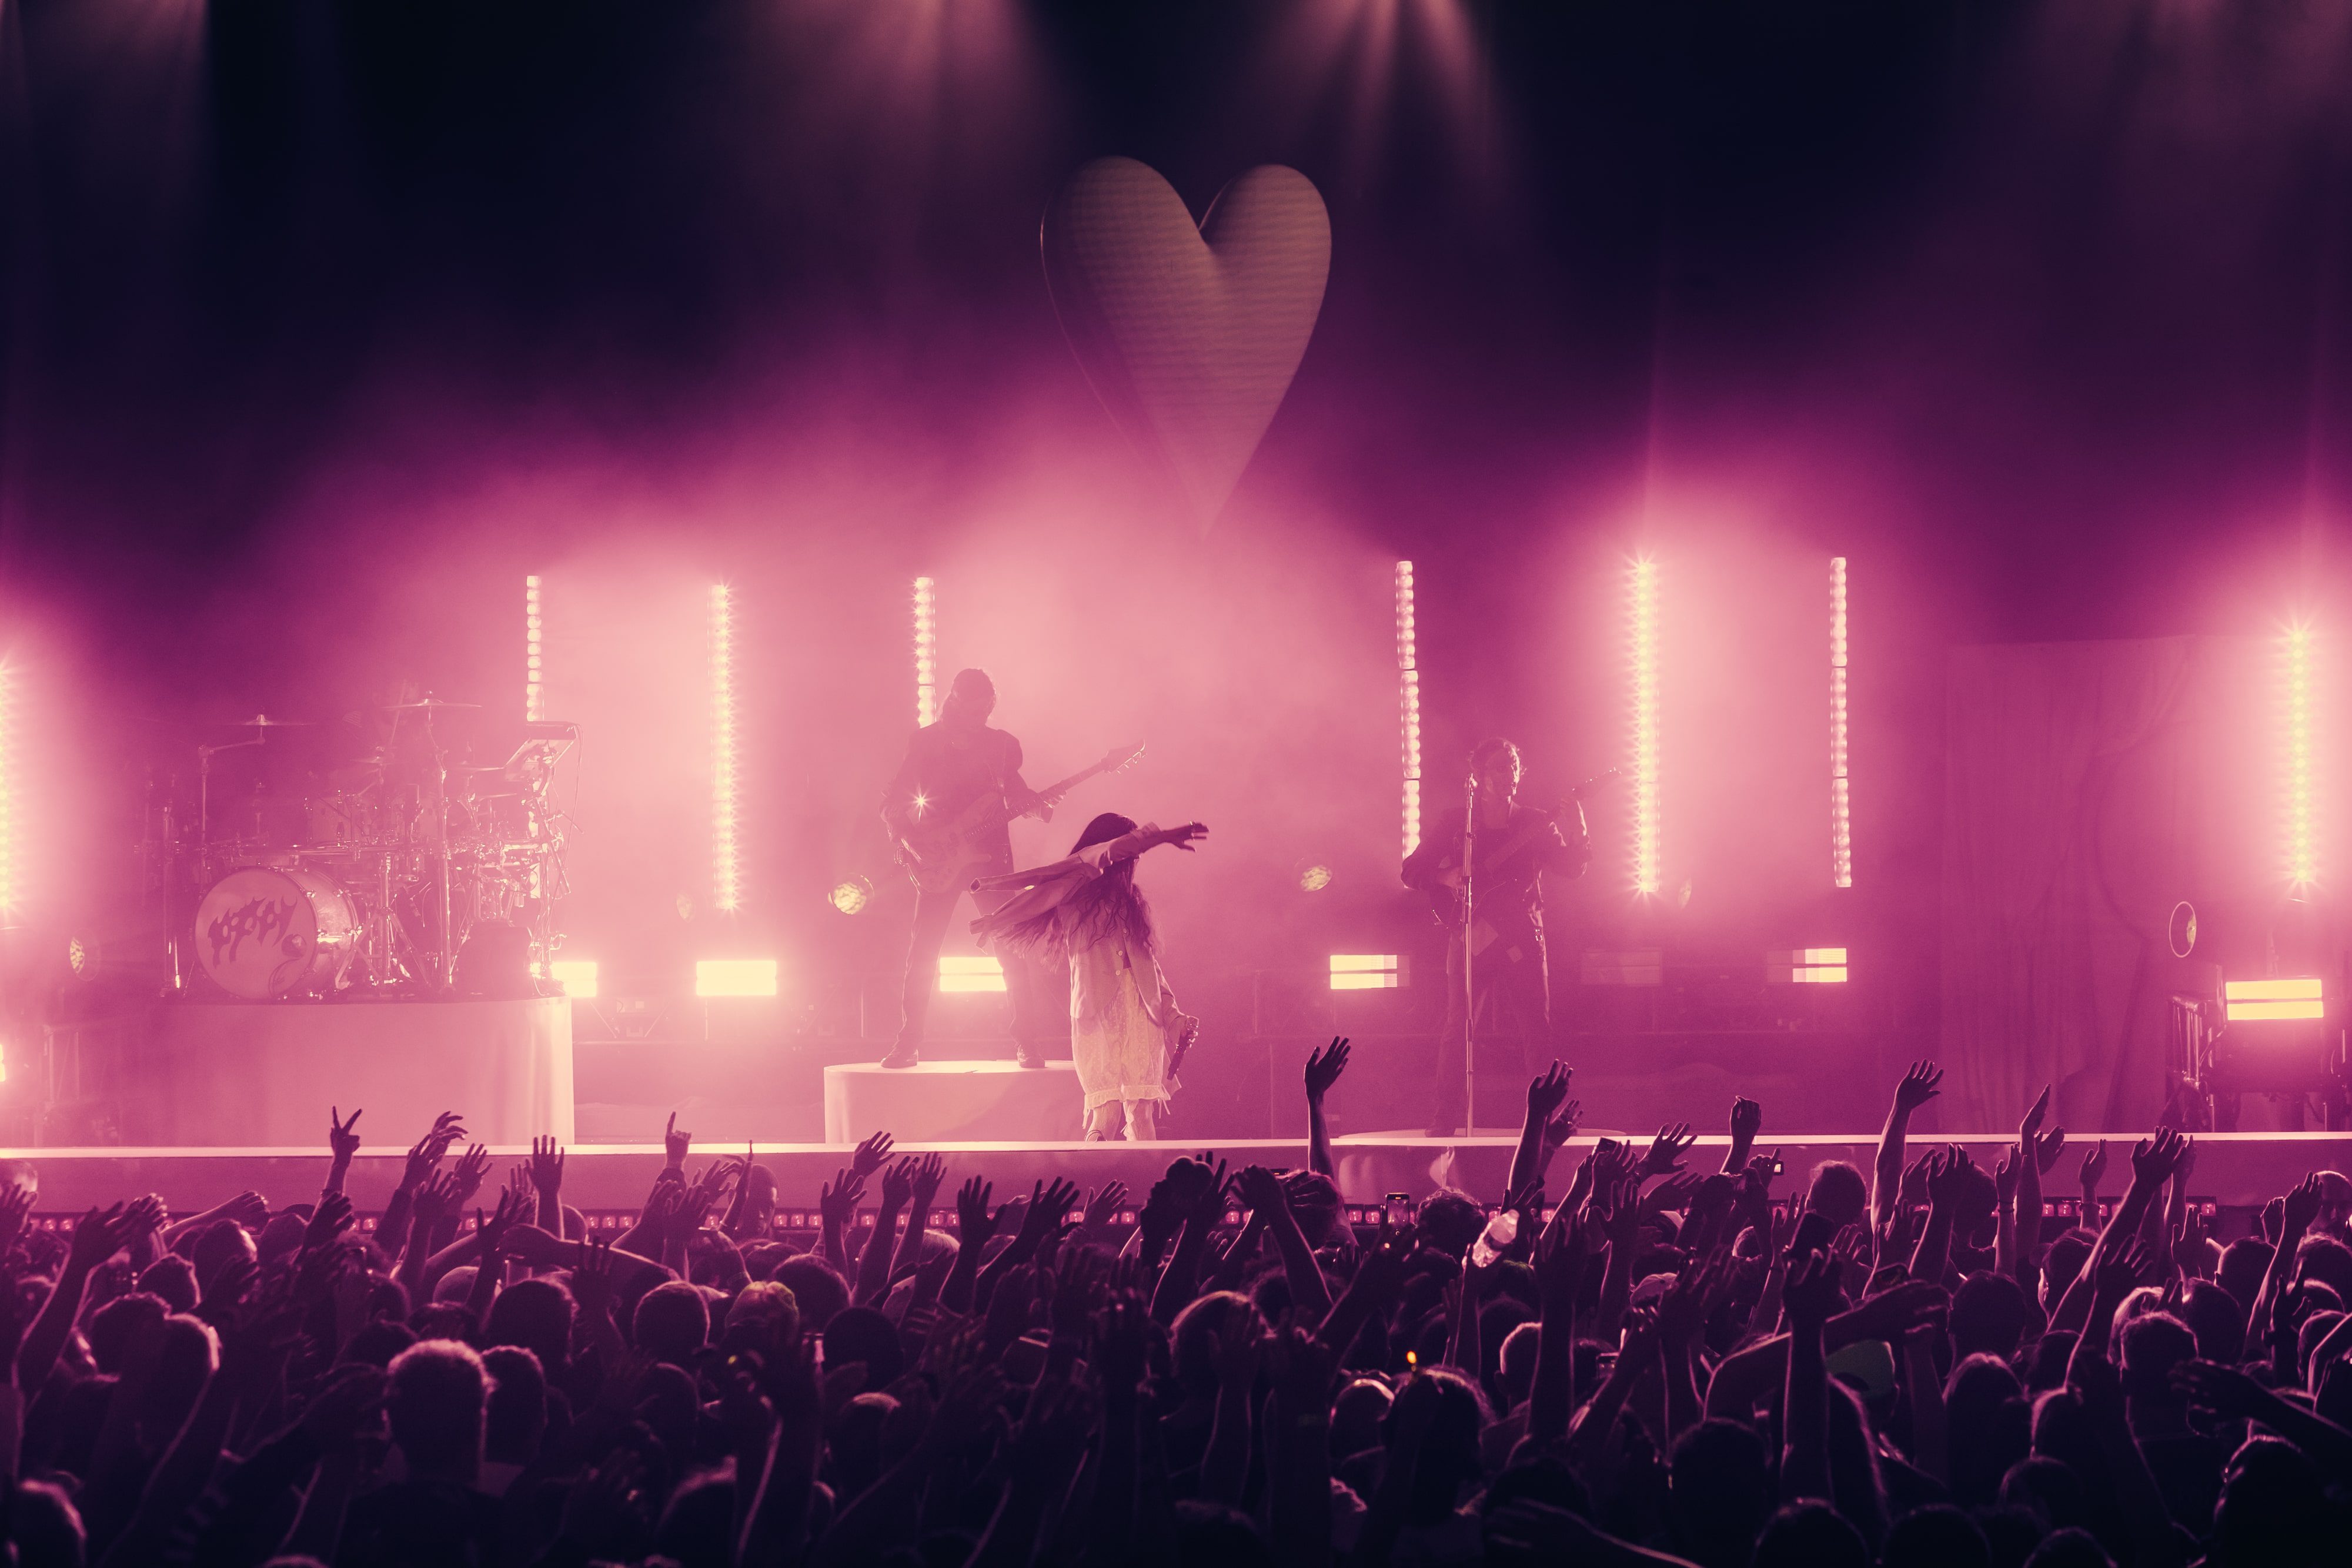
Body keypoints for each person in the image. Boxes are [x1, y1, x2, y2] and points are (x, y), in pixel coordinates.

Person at [972, 813, 1208, 1140]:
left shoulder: (1132, 901)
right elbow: (1109, 853)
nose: (1135, 860)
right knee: (1107, 1113)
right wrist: (1159, 836)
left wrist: (1174, 1019)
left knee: (1142, 1115)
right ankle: (1095, 1172)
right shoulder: (1076, 889)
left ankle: (1144, 1173)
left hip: (1143, 1016)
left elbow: (1150, 969)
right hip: (1097, 1012)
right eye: (1132, 853)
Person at [877, 667, 1065, 1068]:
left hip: (991, 858)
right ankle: (908, 1042)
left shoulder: (1001, 746)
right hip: (940, 856)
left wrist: (1037, 807)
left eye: (985, 709)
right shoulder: (926, 742)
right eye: (973, 710)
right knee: (923, 951)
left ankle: (1027, 1042)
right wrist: (908, 842)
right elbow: (894, 800)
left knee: (1010, 948)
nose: (980, 717)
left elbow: (1014, 792)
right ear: (956, 702)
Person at [1402, 737, 1590, 1135]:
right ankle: (1445, 1117)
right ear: (1479, 776)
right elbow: (1411, 869)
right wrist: (1446, 876)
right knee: (1458, 1028)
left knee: (1536, 1029)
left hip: (1522, 936)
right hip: (1471, 934)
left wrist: (1578, 827)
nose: (1510, 773)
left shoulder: (1535, 821)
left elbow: (1572, 868)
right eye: (1500, 766)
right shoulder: (1457, 823)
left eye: (1514, 765)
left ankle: (1544, 1120)